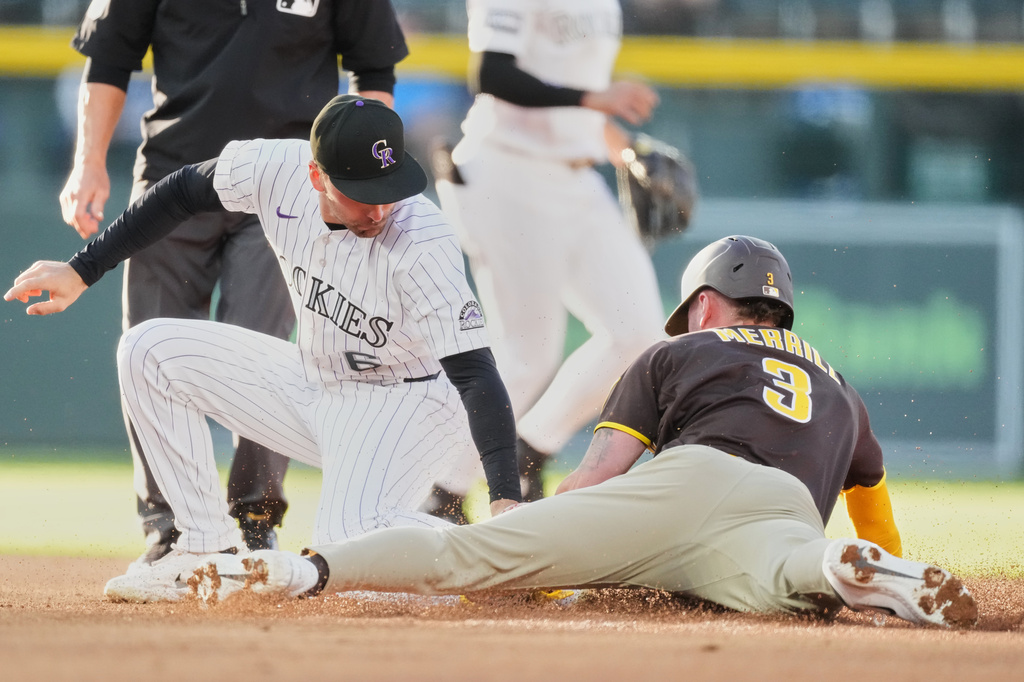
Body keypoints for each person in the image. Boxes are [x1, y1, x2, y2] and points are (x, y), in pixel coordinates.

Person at [187, 235, 978, 629]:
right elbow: (873, 500)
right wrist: (883, 547)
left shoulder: (682, 349)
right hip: (788, 517)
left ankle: (302, 573)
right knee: (791, 583)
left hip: (687, 483)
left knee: (469, 556)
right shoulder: (843, 389)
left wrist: (545, 540)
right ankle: (852, 572)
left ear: (703, 303)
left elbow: (602, 473)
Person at [6, 95, 522, 603]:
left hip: (407, 404)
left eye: (390, 187)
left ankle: (503, 560)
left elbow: (476, 373)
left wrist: (505, 500)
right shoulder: (275, 169)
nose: (382, 207)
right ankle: (200, 550)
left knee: (345, 558)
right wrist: (82, 269)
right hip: (316, 380)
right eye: (364, 192)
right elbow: (183, 190)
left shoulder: (422, 238)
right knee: (148, 349)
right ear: (317, 176)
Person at [59, 0, 410, 562]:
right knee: (147, 347)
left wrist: (360, 179)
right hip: (174, 175)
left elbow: (375, 70)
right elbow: (109, 57)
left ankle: (254, 521)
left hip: (290, 185)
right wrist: (89, 160)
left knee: (261, 349)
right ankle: (172, 532)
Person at [426, 0, 667, 516]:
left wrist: (627, 150)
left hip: (575, 176)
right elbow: (490, 74)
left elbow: (577, 101)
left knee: (642, 335)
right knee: (527, 353)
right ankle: (439, 492)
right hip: (507, 171)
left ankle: (528, 449)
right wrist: (597, 97)